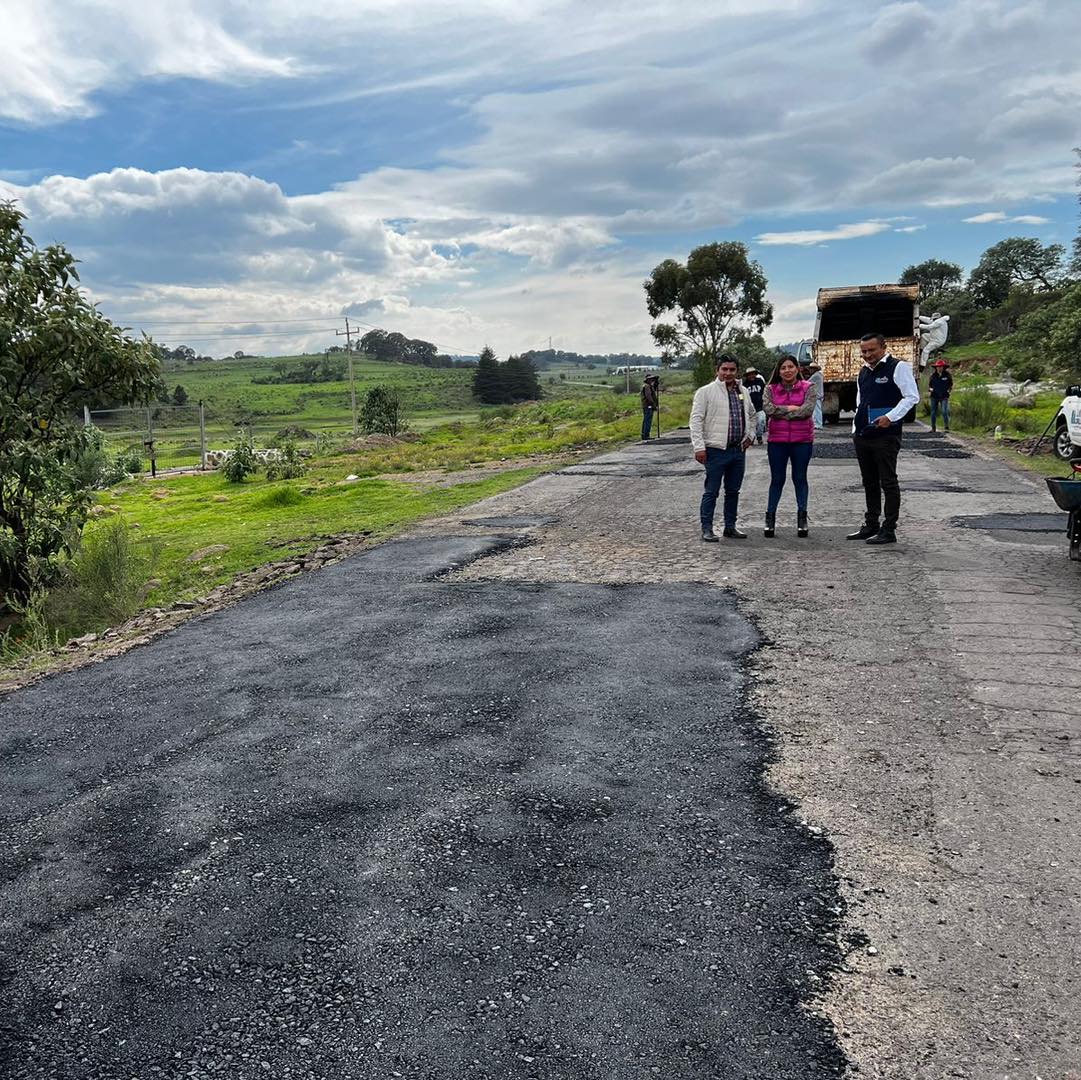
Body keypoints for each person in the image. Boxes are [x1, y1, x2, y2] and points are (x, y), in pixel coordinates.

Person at [847, 333, 920, 546]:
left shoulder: (898, 368)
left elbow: (912, 397)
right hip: (863, 435)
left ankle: (889, 529)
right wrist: (855, 428)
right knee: (869, 481)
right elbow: (861, 402)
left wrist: (891, 417)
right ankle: (871, 524)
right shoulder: (863, 373)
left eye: (872, 350)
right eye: (864, 351)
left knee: (887, 481)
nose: (867, 355)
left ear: (883, 347)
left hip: (886, 436)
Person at [690, 354, 756, 541]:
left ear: (737, 371)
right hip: (715, 450)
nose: (728, 373)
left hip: (737, 451)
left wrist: (750, 436)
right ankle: (707, 529)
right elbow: (696, 421)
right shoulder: (705, 392)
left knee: (733, 491)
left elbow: (752, 415)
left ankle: (730, 527)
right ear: (717, 370)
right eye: (724, 369)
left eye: (732, 370)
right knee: (712, 491)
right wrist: (699, 447)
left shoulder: (743, 391)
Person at [762, 355, 818, 538]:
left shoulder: (808, 387)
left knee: (800, 478)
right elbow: (768, 410)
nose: (787, 370)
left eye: (791, 366)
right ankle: (770, 519)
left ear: (797, 368)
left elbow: (807, 411)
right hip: (777, 442)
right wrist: (791, 409)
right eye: (783, 367)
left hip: (802, 441)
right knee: (777, 479)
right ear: (778, 371)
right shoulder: (770, 389)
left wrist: (782, 411)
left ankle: (802, 518)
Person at [743, 367, 767, 444]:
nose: (751, 376)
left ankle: (759, 435)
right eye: (749, 374)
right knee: (750, 424)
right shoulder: (745, 385)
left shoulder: (760, 382)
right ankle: (751, 437)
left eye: (753, 374)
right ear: (747, 376)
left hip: (760, 406)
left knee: (761, 421)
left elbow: (765, 391)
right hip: (749, 408)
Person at [928, 359, 953, 432]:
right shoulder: (933, 376)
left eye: (941, 367)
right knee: (933, 412)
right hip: (934, 396)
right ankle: (933, 428)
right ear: (936, 367)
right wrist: (930, 389)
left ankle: (946, 427)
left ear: (944, 367)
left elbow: (950, 384)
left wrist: (949, 390)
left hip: (944, 396)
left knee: (944, 411)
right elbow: (930, 385)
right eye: (938, 367)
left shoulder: (947, 375)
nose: (939, 368)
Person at [640, 374, 659, 440]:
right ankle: (646, 435)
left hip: (647, 405)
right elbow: (648, 396)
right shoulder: (647, 386)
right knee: (648, 420)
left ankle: (644, 434)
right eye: (651, 379)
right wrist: (653, 404)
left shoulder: (649, 386)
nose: (652, 380)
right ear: (647, 380)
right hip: (648, 405)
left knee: (646, 419)